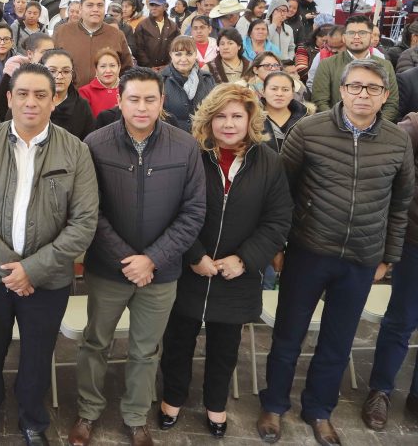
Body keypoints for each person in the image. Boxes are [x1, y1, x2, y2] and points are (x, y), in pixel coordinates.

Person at [257, 59, 414, 446]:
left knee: (338, 339)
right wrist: (278, 246)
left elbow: (401, 203)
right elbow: (281, 194)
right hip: (309, 251)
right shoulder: (309, 130)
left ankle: (319, 409)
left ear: (385, 96)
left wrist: (387, 256)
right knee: (289, 335)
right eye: (356, 86)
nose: (363, 94)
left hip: (362, 257)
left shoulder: (397, 140)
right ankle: (275, 405)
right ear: (341, 90)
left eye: (373, 89)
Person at [0, 62, 99, 446]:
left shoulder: (75, 151)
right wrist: (11, 269)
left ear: (55, 100)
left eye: (41, 95)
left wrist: (32, 269)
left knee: (38, 353)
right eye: (22, 94)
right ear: (8, 98)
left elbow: (84, 223)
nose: (31, 102)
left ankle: (33, 421)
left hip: (49, 277)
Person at [69, 67, 205, 446]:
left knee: (146, 349)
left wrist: (153, 259)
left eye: (150, 99)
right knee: (95, 342)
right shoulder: (95, 143)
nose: (142, 107)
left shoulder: (185, 145)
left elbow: (193, 211)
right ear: (119, 100)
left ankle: (135, 415)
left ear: (163, 101)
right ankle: (88, 411)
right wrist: (127, 259)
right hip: (108, 268)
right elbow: (87, 209)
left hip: (160, 273)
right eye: (134, 99)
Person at [158, 84, 291, 438]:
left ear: (251, 119)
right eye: (221, 116)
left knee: (224, 346)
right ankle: (172, 398)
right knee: (178, 340)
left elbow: (278, 221)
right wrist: (194, 254)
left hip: (237, 274)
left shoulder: (270, 162)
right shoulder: (192, 155)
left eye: (237, 116)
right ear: (208, 119)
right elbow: (172, 209)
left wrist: (245, 260)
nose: (228, 124)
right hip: (191, 267)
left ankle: (215, 403)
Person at [363, 105, 418, 430]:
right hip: (414, 240)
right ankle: (380, 390)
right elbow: (387, 175)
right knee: (402, 319)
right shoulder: (412, 128)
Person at [314, 15, 399, 120]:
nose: (356, 37)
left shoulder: (385, 65)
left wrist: (375, 126)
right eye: (351, 33)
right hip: (336, 127)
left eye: (362, 33)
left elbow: (391, 103)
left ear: (372, 37)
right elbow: (320, 101)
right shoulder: (327, 64)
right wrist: (339, 124)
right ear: (344, 38)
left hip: (376, 130)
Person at [53, 0, 133, 89]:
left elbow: (127, 70)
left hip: (105, 99)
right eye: (90, 5)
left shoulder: (116, 35)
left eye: (100, 5)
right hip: (70, 97)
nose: (95, 9)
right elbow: (50, 65)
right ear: (81, 8)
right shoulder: (62, 32)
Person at [160, 36, 216, 133]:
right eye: (178, 54)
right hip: (171, 137)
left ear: (196, 54)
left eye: (189, 54)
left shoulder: (207, 79)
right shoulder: (160, 80)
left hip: (203, 138)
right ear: (171, 55)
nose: (183, 59)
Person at [260, 71, 308, 153]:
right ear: (263, 91)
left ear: (292, 92)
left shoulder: (306, 119)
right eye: (274, 89)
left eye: (285, 90)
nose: (279, 94)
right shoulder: (252, 119)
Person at [132, 0, 180, 71]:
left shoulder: (173, 26)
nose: (153, 8)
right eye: (151, 5)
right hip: (146, 71)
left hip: (168, 70)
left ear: (165, 6)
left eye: (157, 5)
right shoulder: (142, 25)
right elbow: (138, 48)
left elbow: (177, 48)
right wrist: (149, 67)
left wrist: (168, 66)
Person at [79, 48, 122, 117]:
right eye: (103, 66)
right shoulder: (85, 92)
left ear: (119, 68)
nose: (108, 70)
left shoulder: (127, 90)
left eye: (112, 65)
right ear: (96, 70)